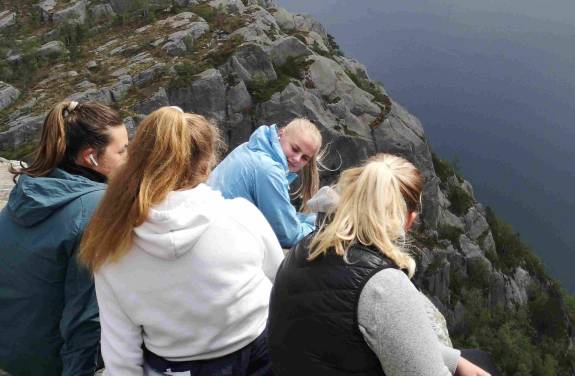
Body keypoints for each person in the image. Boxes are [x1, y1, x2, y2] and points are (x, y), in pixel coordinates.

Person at [79, 106, 284, 376]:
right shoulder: (240, 215)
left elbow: (121, 354)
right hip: (260, 354)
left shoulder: (110, 241)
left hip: (175, 368)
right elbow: (281, 285)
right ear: (205, 165)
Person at [267, 153, 496, 376]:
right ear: (408, 220)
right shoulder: (382, 286)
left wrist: (454, 361)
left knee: (471, 359)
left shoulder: (308, 245)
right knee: (483, 361)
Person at [0, 100, 128, 376]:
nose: (128, 159)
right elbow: (86, 318)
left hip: (12, 351)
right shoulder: (96, 207)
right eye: (122, 151)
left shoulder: (29, 188)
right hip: (52, 364)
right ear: (91, 157)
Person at [209, 117, 324, 247]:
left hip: (208, 226)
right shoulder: (269, 171)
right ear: (281, 133)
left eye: (305, 158)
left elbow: (282, 219)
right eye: (295, 149)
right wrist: (321, 224)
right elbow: (288, 236)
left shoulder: (249, 147)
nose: (297, 159)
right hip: (217, 240)